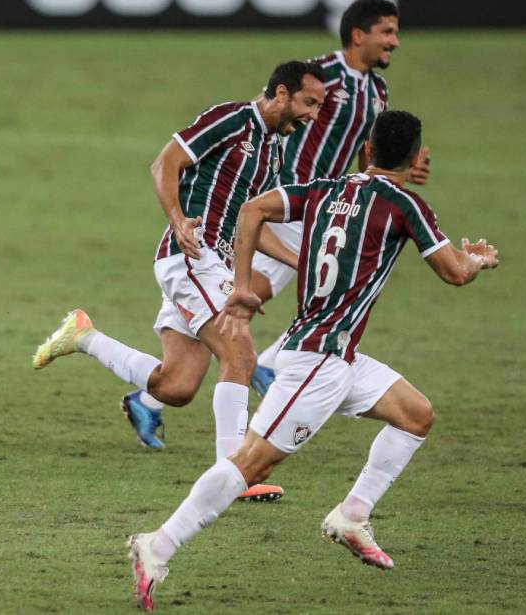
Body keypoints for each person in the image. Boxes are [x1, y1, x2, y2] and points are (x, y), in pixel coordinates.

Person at [125, 110, 499, 612]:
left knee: (415, 415)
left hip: (337, 354)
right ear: (413, 159)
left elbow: (252, 209)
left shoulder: (323, 190)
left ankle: (352, 515)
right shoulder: (405, 204)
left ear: (367, 148)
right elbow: (454, 273)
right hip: (318, 362)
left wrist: (240, 283)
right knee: (251, 464)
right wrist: (478, 258)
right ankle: (158, 546)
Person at [33, 61, 325, 500]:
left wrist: (298, 260)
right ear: (281, 94)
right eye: (309, 103)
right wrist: (178, 221)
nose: (313, 115)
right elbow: (164, 163)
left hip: (214, 266)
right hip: (192, 256)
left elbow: (251, 225)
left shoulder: (273, 152)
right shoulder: (231, 118)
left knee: (177, 386)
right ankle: (234, 475)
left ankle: (83, 336)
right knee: (240, 353)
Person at [249, 0, 431, 397]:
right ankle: (259, 366)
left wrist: (401, 168)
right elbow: (264, 112)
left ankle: (158, 393)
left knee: (321, 295)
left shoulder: (378, 90)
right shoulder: (320, 76)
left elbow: (369, 158)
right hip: (290, 204)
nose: (395, 42)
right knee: (249, 297)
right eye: (387, 32)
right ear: (357, 34)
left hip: (324, 210)